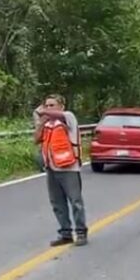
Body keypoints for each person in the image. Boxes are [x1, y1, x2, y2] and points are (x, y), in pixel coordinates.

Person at [34, 95, 87, 246]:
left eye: (52, 105)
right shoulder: (47, 124)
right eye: (47, 105)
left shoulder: (68, 117)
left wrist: (41, 112)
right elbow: (36, 139)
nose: (49, 109)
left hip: (69, 168)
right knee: (57, 203)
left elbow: (46, 113)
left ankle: (81, 232)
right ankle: (66, 233)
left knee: (75, 201)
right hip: (51, 168)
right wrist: (40, 123)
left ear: (61, 107)